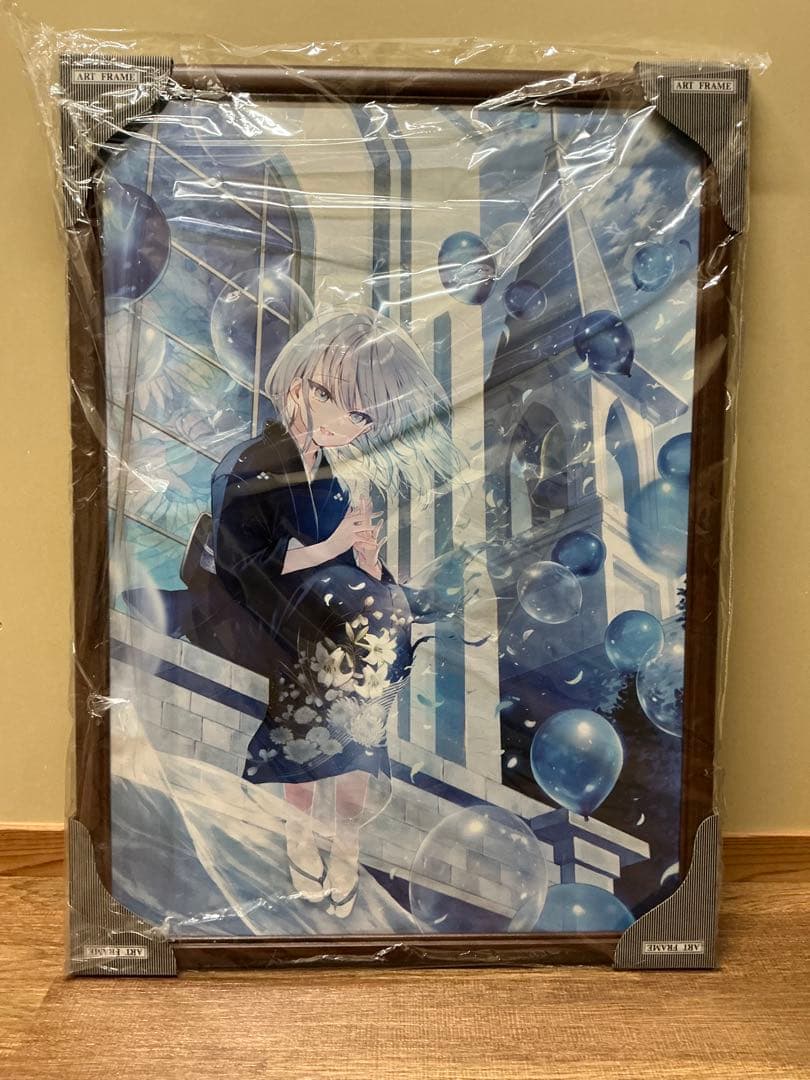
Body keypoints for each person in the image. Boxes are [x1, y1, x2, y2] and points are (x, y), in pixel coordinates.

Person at [194, 309, 462, 917]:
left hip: (324, 616)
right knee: (333, 664)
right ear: (299, 387)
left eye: (363, 416)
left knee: (376, 633)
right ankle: (303, 830)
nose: (349, 422)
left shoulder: (335, 482)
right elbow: (241, 564)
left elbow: (349, 573)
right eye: (334, 399)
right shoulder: (253, 463)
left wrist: (367, 561)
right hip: (259, 608)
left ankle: (345, 835)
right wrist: (331, 551)